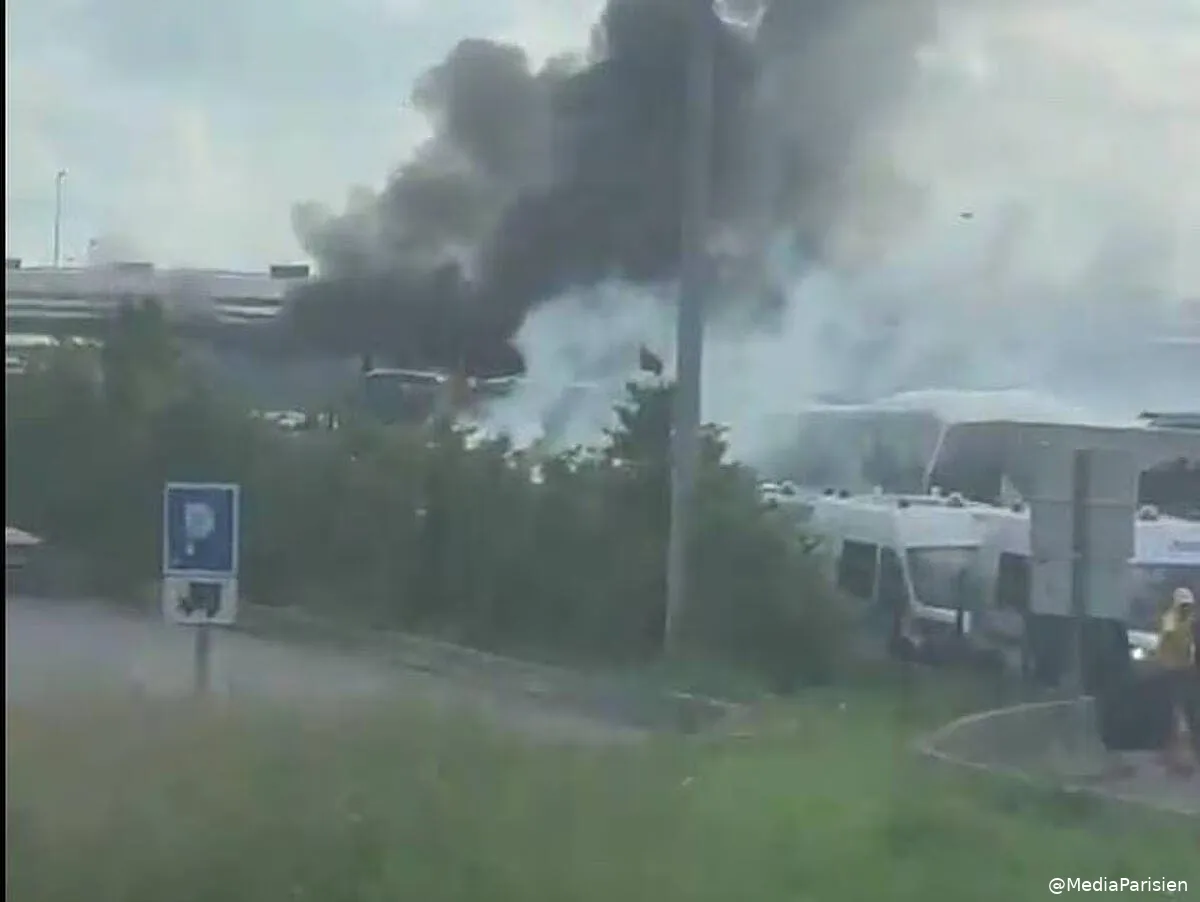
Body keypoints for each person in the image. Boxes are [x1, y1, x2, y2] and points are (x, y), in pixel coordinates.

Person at [1155, 587, 1197, 775]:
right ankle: (1174, 756)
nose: (1186, 608)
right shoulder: (1171, 618)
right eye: (1183, 605)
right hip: (1171, 671)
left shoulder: (1189, 620)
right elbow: (1169, 633)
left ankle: (1181, 755)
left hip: (1185, 670)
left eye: (1188, 605)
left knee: (1184, 712)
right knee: (1175, 712)